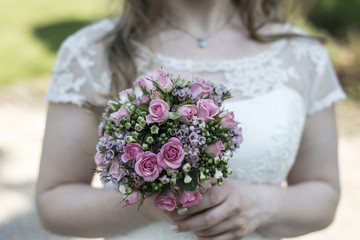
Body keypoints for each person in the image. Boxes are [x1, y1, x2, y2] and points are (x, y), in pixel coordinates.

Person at [36, 0, 346, 239]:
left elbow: (323, 194)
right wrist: (157, 206)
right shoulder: (90, 52)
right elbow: (54, 201)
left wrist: (261, 205)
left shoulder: (303, 55)